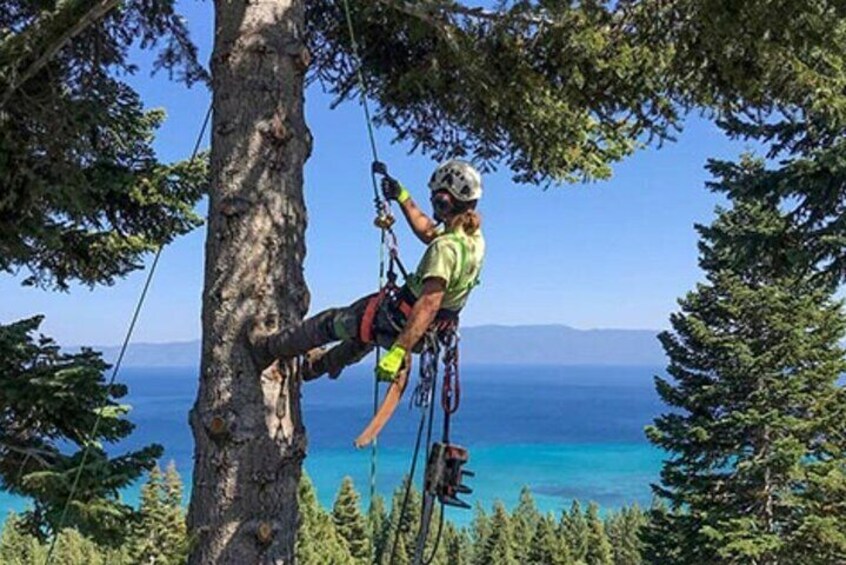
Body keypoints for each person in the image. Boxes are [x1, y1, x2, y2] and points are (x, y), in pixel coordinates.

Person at [250, 159, 485, 383]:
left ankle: (267, 349)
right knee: (365, 333)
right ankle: (318, 366)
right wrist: (402, 197)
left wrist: (399, 351)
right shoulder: (473, 240)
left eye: (435, 198)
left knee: (332, 323)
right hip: (424, 332)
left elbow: (429, 303)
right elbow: (429, 232)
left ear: (444, 203)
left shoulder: (444, 249)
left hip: (402, 322)